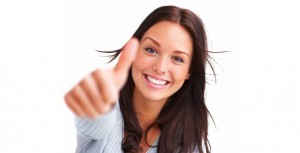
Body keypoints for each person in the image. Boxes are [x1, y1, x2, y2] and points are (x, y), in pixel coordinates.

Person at [64, 5, 215, 153]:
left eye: (177, 59)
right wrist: (96, 101)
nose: (160, 67)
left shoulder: (188, 142)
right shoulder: (109, 111)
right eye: (151, 50)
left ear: (190, 71)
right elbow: (97, 121)